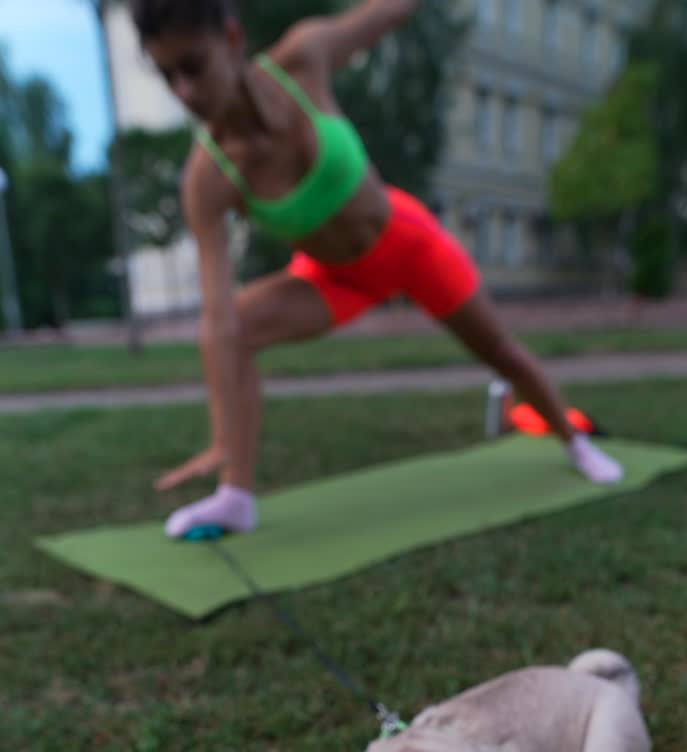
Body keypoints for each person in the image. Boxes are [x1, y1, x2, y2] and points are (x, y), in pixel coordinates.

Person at [131, 0, 624, 539]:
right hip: (335, 279)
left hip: (407, 246)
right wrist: (221, 435)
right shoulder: (209, 178)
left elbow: (388, 12)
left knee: (500, 352)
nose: (184, 92)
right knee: (242, 327)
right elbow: (218, 318)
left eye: (192, 66)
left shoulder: (304, 58)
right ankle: (235, 496)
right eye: (167, 76)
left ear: (231, 38)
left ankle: (575, 442)